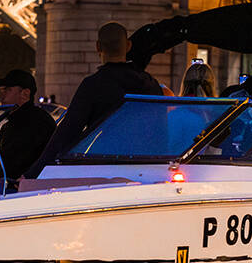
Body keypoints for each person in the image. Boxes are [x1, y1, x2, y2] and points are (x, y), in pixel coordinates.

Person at [24, 22, 164, 178]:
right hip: (150, 170)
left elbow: (67, 133)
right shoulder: (151, 85)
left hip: (106, 170)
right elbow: (161, 131)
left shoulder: (93, 85)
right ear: (129, 46)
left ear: (98, 47)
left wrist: (32, 174)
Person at [0, 69, 56, 184]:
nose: (1, 95)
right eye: (1, 90)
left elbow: (10, 164)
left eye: (8, 89)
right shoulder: (18, 120)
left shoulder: (32, 122)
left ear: (25, 94)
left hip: (22, 188)